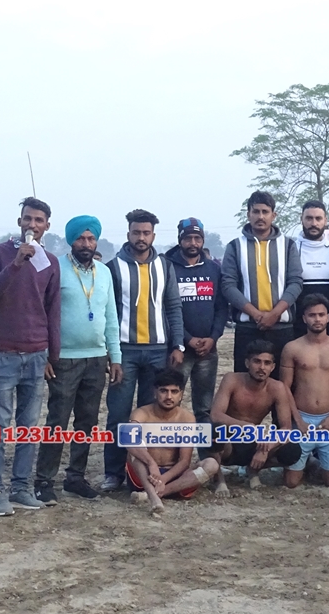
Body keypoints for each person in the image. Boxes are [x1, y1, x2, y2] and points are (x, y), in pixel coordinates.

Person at [0, 196, 62, 516]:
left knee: (29, 427)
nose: (32, 224)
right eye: (28, 218)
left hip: (37, 354)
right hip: (3, 353)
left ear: (47, 226)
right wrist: (15, 263)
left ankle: (21, 488)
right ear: (19, 222)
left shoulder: (50, 262)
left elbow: (52, 310)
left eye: (39, 220)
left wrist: (53, 354)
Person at [34, 216, 122, 504]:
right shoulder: (55, 268)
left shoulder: (104, 273)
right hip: (64, 359)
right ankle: (44, 480)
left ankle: (76, 478)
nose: (86, 244)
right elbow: (42, 314)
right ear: (71, 240)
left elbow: (111, 317)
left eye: (91, 238)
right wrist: (46, 354)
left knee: (87, 421)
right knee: (57, 420)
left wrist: (115, 356)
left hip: (96, 359)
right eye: (81, 239)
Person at [102, 209, 185, 491]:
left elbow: (173, 307)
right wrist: (111, 351)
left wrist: (178, 344)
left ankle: (150, 471)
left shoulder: (165, 266)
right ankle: (113, 473)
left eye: (146, 233)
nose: (141, 237)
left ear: (153, 235)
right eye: (136, 232)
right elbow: (108, 312)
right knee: (119, 415)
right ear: (128, 234)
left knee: (153, 415)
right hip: (124, 351)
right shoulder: (113, 267)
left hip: (159, 350)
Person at [220, 190, 303, 379]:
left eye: (265, 212)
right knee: (244, 384)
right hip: (248, 328)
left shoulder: (288, 246)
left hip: (281, 328)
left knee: (282, 385)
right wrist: (256, 315)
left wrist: (274, 314)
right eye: (256, 211)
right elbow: (228, 285)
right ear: (248, 214)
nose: (260, 216)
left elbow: (296, 282)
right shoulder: (235, 246)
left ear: (273, 215)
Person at [280, 294, 329, 489]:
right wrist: (298, 421)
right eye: (312, 315)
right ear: (304, 318)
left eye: (321, 314)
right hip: (302, 419)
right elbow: (284, 386)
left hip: (328, 420)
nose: (317, 319)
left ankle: (315, 462)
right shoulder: (292, 348)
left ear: (328, 317)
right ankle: (309, 462)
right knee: (291, 482)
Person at [126, 369, 221, 516]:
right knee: (135, 451)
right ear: (155, 392)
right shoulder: (141, 413)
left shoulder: (187, 418)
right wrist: (151, 464)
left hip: (173, 477)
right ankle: (153, 497)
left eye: (174, 392)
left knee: (211, 464)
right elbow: (129, 441)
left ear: (181, 394)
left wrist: (163, 479)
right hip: (144, 474)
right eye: (164, 391)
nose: (169, 396)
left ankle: (157, 494)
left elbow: (184, 461)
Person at [210, 340, 303, 487]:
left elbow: (286, 428)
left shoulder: (277, 388)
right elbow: (215, 415)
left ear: (273, 367)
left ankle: (253, 470)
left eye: (267, 363)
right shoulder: (232, 379)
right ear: (247, 363)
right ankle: (219, 479)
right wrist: (246, 426)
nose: (262, 367)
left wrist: (267, 448)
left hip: (254, 443)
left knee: (292, 450)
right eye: (257, 361)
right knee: (213, 430)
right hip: (229, 442)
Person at [164, 218, 224, 425]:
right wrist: (186, 339)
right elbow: (165, 310)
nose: (193, 243)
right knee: (170, 405)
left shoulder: (213, 269)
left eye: (197, 238)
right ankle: (171, 446)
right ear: (180, 240)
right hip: (179, 350)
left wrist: (213, 338)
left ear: (203, 240)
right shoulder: (168, 268)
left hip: (207, 350)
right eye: (188, 238)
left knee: (204, 408)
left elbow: (221, 308)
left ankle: (204, 446)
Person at [294, 200, 329, 339]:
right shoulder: (290, 249)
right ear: (301, 219)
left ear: (325, 220)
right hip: (298, 325)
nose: (314, 223)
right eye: (309, 218)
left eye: (318, 218)